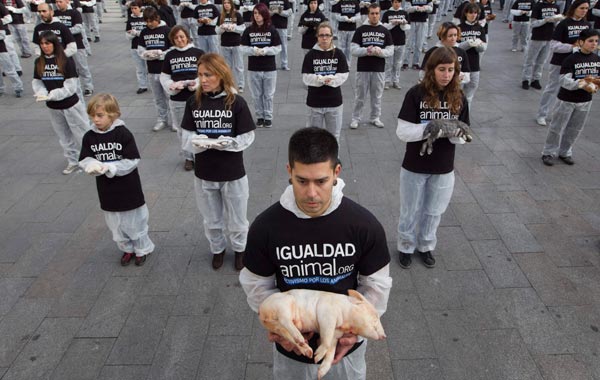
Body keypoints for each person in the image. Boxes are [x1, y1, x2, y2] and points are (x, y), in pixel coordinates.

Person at [239, 126, 392, 380]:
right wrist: (276, 322)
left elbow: (376, 286)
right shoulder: (265, 227)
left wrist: (353, 330)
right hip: (291, 352)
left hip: (346, 351)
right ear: (289, 171)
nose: (311, 193)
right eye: (302, 181)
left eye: (321, 181)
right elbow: (256, 286)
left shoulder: (364, 225)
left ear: (336, 173)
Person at [396, 47, 470, 269]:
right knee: (409, 209)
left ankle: (426, 245)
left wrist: (454, 134)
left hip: (444, 166)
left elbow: (465, 137)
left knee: (434, 211)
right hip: (414, 165)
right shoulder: (415, 94)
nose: (446, 75)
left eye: (451, 70)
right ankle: (405, 246)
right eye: (442, 69)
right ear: (431, 70)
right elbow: (402, 132)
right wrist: (432, 128)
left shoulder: (459, 97)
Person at [180, 53, 256, 271]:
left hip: (232, 172)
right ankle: (217, 249)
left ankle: (240, 250)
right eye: (200, 75)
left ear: (221, 75)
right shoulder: (193, 102)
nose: (203, 80)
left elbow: (247, 136)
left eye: (208, 75)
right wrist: (199, 142)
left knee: (238, 218)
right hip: (205, 172)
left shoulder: (236, 102)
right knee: (211, 218)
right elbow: (185, 135)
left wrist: (227, 143)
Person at [79, 93, 155, 267]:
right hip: (107, 189)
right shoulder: (89, 136)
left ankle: (141, 249)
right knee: (116, 223)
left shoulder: (123, 134)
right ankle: (126, 248)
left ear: (112, 115)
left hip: (128, 188)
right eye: (92, 116)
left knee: (135, 222)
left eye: (100, 115)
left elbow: (132, 160)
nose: (95, 120)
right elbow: (85, 158)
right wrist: (92, 166)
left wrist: (110, 167)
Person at [32, 31, 91, 175]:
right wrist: (41, 93)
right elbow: (38, 80)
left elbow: (71, 86)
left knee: (82, 133)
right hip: (53, 107)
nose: (45, 47)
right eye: (42, 44)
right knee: (63, 136)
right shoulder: (39, 62)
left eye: (48, 43)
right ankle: (72, 160)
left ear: (54, 44)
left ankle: (91, 160)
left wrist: (53, 94)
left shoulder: (65, 60)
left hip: (71, 105)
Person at [541, 29, 600, 166]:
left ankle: (565, 151)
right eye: (590, 41)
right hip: (566, 99)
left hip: (585, 101)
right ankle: (548, 152)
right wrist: (581, 84)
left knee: (575, 128)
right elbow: (564, 80)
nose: (593, 44)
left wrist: (595, 85)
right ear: (580, 42)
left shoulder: (597, 60)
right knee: (557, 126)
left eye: (596, 41)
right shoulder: (571, 59)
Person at [535, 0, 590, 126]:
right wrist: (572, 47)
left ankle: (558, 114)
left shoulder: (586, 25)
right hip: (560, 61)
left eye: (586, 9)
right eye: (582, 8)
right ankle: (542, 114)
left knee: (567, 89)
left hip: (576, 63)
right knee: (552, 88)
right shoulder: (563, 23)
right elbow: (554, 45)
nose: (584, 11)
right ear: (574, 8)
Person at [160, 25, 204, 170]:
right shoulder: (170, 55)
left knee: (199, 126)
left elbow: (205, 73)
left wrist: (196, 84)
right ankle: (187, 157)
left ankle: (200, 154)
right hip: (178, 99)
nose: (179, 40)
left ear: (187, 36)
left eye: (182, 36)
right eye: (176, 38)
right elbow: (164, 77)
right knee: (181, 129)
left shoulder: (198, 52)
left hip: (197, 96)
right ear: (172, 40)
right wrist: (172, 86)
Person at [301, 22, 349, 143]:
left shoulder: (339, 54)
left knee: (334, 137)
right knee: (313, 138)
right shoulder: (310, 55)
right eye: (321, 35)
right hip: (314, 103)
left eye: (327, 35)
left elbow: (344, 74)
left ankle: (333, 161)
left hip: (334, 103)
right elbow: (306, 77)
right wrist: (320, 80)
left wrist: (331, 80)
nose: (324, 38)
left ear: (332, 36)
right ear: (317, 37)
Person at [349, 3, 393, 129]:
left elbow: (391, 50)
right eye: (372, 13)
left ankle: (375, 117)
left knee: (377, 96)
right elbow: (353, 49)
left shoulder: (384, 30)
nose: (374, 16)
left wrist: (380, 52)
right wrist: (366, 51)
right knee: (360, 96)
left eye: (377, 13)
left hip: (379, 68)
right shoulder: (361, 29)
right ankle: (355, 118)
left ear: (380, 14)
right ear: (368, 14)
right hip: (363, 68)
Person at [240, 2, 281, 127]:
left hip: (269, 68)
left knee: (268, 94)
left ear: (265, 14)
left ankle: (268, 116)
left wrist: (266, 51)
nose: (257, 16)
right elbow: (242, 48)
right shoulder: (249, 30)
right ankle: (259, 116)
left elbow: (278, 48)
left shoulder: (272, 30)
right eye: (255, 13)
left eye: (259, 13)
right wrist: (253, 50)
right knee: (256, 95)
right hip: (254, 68)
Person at [138, 6, 172, 132]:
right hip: (152, 69)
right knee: (158, 97)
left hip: (165, 70)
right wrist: (146, 54)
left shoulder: (166, 30)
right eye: (146, 21)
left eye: (151, 21)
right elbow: (140, 48)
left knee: (169, 96)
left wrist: (161, 54)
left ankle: (174, 120)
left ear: (157, 18)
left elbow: (173, 49)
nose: (149, 24)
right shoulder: (144, 32)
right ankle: (162, 119)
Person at [54, 0, 94, 97]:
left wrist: (64, 31)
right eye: (56, 2)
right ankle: (72, 88)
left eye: (60, 1)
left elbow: (79, 28)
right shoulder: (55, 14)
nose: (58, 4)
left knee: (82, 67)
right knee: (66, 68)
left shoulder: (74, 12)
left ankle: (88, 87)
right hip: (62, 46)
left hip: (77, 44)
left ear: (66, 1)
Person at [521, 0, 561, 90]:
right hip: (537, 37)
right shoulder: (537, 6)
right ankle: (525, 79)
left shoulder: (556, 7)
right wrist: (546, 20)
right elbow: (533, 23)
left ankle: (536, 79)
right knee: (530, 60)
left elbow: (557, 23)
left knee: (542, 61)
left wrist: (557, 20)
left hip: (549, 37)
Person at [420, 21, 471, 85]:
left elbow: (467, 75)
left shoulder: (461, 52)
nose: (453, 38)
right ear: (442, 36)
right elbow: (423, 73)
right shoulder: (432, 52)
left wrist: (459, 77)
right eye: (450, 36)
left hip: (454, 88)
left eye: (455, 35)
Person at [457, 2, 486, 107]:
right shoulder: (459, 27)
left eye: (475, 13)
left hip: (474, 65)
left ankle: (465, 119)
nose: (473, 15)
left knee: (469, 96)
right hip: (461, 65)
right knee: (457, 95)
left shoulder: (480, 28)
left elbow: (483, 48)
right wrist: (468, 43)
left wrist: (479, 45)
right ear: (465, 13)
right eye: (471, 13)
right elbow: (456, 47)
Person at [216, 0, 245, 91]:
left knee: (239, 66)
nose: (226, 5)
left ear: (231, 4)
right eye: (225, 3)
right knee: (227, 66)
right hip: (225, 44)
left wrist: (233, 28)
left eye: (228, 3)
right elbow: (216, 31)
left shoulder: (237, 15)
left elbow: (242, 28)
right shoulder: (221, 16)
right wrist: (222, 28)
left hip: (236, 43)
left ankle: (241, 85)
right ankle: (229, 84)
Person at [381, 0, 410, 89]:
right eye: (395, 2)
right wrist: (392, 24)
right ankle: (387, 80)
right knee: (388, 62)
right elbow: (383, 26)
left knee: (397, 63)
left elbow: (408, 27)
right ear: (392, 3)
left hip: (401, 41)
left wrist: (403, 24)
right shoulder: (387, 13)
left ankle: (396, 80)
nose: (397, 4)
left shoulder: (404, 12)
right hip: (389, 41)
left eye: (399, 2)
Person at [125, 0, 149, 94]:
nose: (133, 10)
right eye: (132, 8)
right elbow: (127, 34)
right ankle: (142, 85)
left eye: (135, 8)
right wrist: (132, 34)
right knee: (139, 68)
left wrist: (137, 33)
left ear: (140, 8)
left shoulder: (145, 18)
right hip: (135, 46)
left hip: (146, 46)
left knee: (149, 66)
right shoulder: (130, 20)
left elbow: (147, 32)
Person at [402, 0, 432, 70]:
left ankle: (416, 63)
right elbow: (406, 8)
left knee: (419, 44)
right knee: (409, 43)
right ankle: (405, 62)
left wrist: (425, 7)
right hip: (411, 21)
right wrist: (416, 8)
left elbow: (431, 9)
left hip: (423, 21)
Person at [0, 7, 23, 97]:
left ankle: (18, 88)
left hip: (1, 49)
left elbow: (2, 35)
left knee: (9, 69)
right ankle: (1, 88)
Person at [265, 0, 292, 70]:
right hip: (270, 26)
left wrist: (280, 12)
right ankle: (272, 63)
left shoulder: (285, 1)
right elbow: (264, 12)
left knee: (283, 45)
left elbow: (289, 12)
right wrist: (272, 12)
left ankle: (284, 63)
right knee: (270, 45)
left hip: (282, 26)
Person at [331, 0, 359, 66]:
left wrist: (353, 19)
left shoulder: (355, 3)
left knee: (349, 48)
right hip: (342, 29)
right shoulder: (340, 3)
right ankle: (341, 64)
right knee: (341, 47)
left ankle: (348, 65)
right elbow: (337, 16)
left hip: (352, 29)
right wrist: (344, 18)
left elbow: (358, 16)